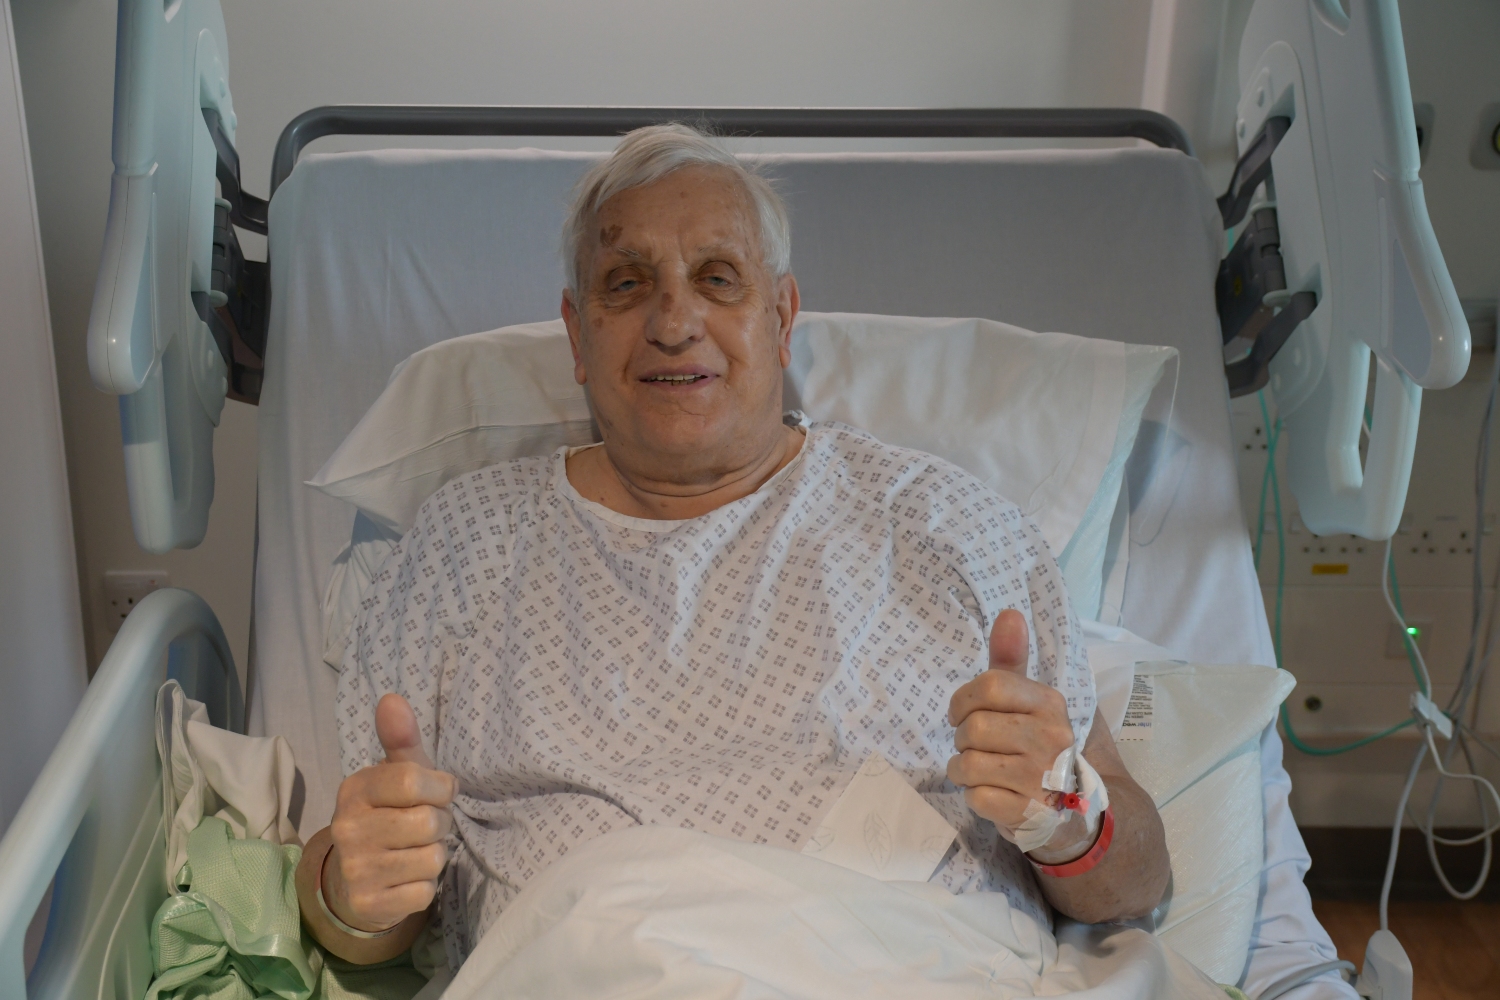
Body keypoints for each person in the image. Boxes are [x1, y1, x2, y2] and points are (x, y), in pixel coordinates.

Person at [294, 124, 1170, 969]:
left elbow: (1139, 879)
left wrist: (1066, 815)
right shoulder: (467, 543)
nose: (675, 322)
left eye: (718, 279)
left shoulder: (944, 525)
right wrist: (352, 893)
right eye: (627, 284)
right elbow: (365, 890)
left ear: (781, 317)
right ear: (577, 335)